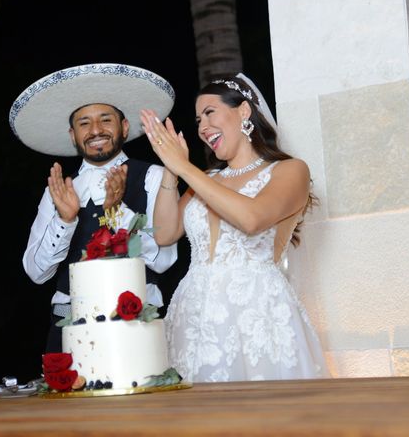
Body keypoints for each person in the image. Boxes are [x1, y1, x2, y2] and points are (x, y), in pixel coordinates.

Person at [140, 73, 330, 382]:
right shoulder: (206, 179)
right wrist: (172, 172)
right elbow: (164, 233)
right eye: (198, 119)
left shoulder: (289, 170)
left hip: (256, 311)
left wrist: (186, 168)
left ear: (243, 111)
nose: (202, 127)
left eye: (210, 113)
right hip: (194, 313)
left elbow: (252, 219)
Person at [10, 63, 179, 353]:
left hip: (136, 320)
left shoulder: (154, 176)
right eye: (84, 123)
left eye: (105, 119)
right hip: (66, 322)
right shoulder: (59, 190)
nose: (95, 130)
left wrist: (117, 213)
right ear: (73, 135)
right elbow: (36, 273)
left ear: (124, 127)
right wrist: (65, 221)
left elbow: (163, 259)